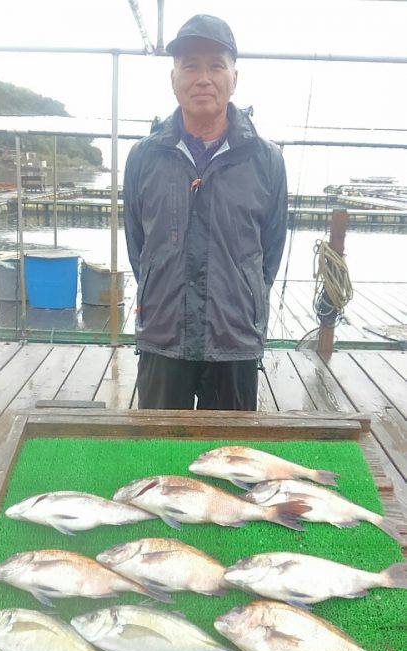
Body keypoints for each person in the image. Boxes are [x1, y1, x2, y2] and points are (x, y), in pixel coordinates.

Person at [124, 14, 288, 410]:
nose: (203, 78)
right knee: (158, 459)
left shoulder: (266, 160)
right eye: (191, 66)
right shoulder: (143, 158)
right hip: (163, 338)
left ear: (235, 77)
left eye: (216, 65)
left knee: (231, 462)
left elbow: (270, 252)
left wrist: (241, 299)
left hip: (234, 342)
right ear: (173, 78)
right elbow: (137, 247)